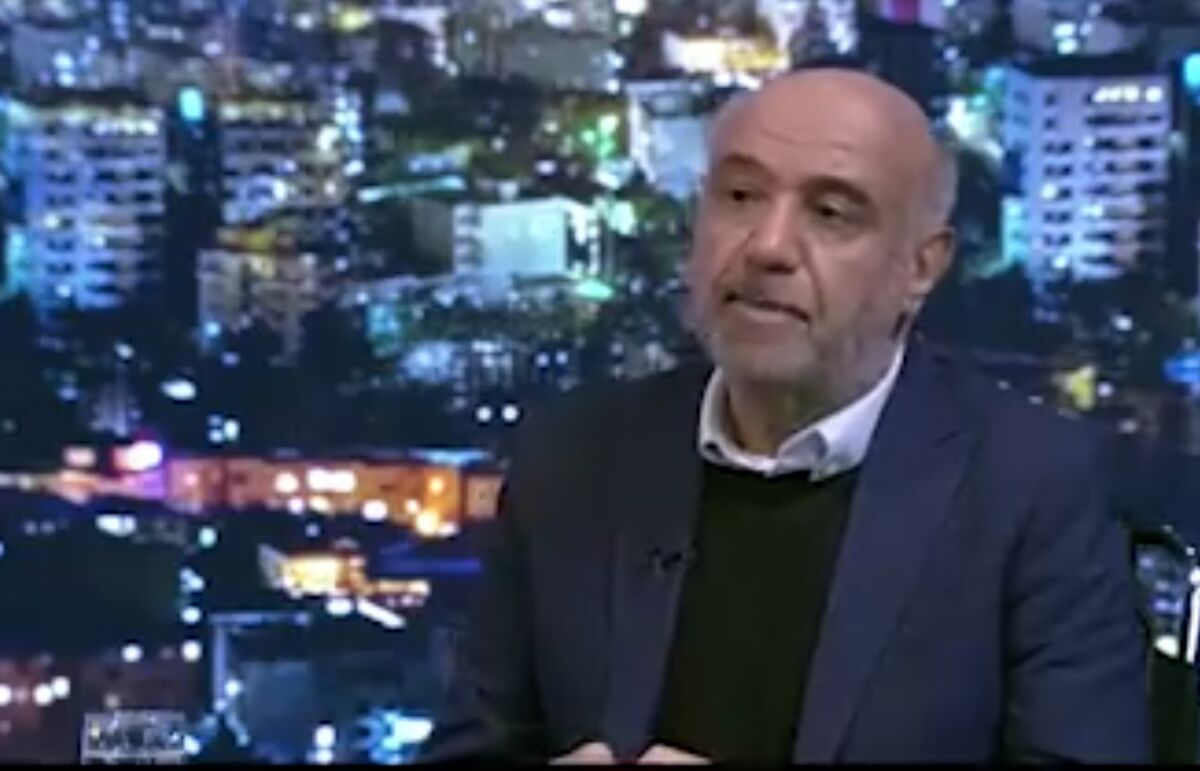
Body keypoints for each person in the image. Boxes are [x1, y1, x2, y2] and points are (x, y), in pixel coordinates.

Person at [419, 68, 1151, 764]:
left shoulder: (1037, 490)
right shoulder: (573, 455)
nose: (767, 247)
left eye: (830, 214)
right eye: (739, 196)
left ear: (921, 267)